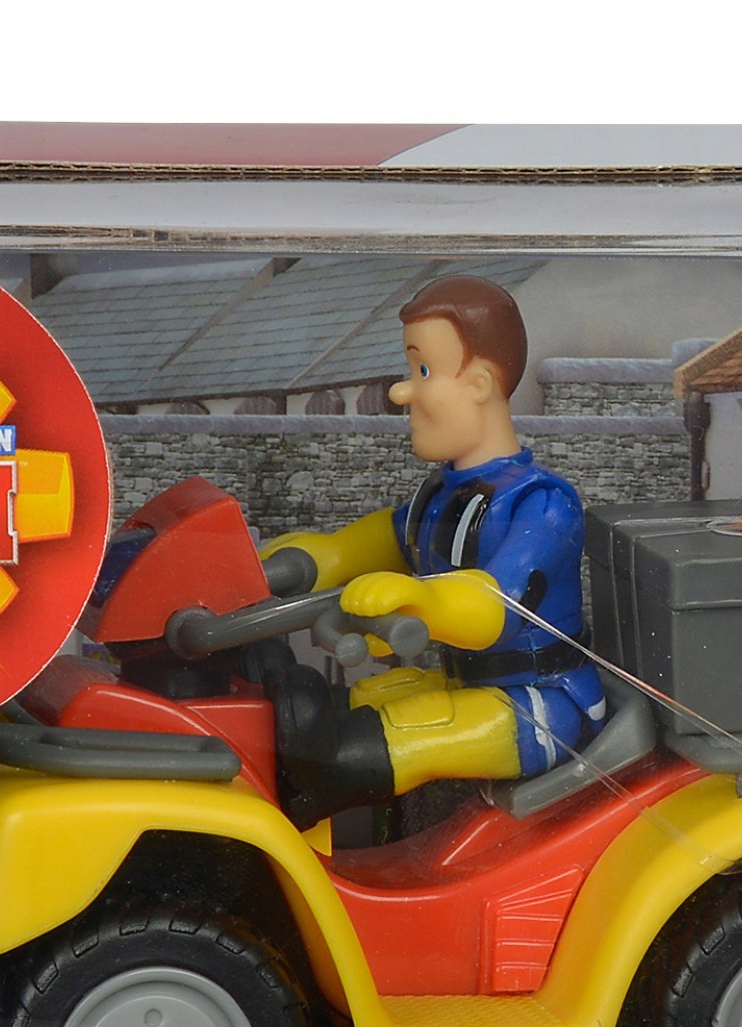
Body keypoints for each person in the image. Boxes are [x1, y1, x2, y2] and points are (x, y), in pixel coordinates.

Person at [257, 276, 605, 826]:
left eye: (423, 371)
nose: (402, 392)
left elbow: (493, 607)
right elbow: (381, 539)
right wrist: (315, 559)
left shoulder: (542, 505)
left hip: (542, 707)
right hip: (469, 682)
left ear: (480, 383)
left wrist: (420, 601)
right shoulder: (444, 495)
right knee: (343, 708)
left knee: (355, 752)